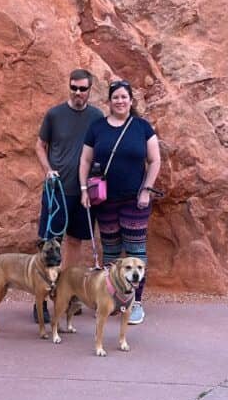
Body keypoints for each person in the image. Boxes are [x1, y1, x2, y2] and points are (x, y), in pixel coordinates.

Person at [78, 79, 160, 325]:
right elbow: (84, 161)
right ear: (109, 102)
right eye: (116, 97)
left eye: (124, 97)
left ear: (131, 100)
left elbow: (155, 160)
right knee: (111, 251)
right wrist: (84, 189)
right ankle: (111, 298)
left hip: (135, 200)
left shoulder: (142, 127)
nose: (120, 101)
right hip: (104, 200)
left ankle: (135, 302)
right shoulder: (97, 128)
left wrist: (146, 190)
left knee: (135, 252)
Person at [34, 68, 104, 322]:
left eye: (82, 89)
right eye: (73, 88)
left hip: (83, 193)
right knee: (49, 241)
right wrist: (48, 170)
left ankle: (68, 294)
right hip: (56, 190)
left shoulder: (97, 117)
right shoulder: (54, 115)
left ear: (89, 89)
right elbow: (40, 145)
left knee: (75, 242)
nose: (77, 93)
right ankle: (41, 297)